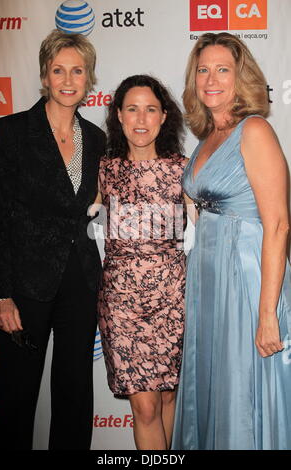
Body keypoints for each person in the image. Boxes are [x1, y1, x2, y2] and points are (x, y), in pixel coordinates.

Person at [171, 32, 291, 450]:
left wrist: (268, 312)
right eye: (203, 69)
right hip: (209, 281)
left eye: (223, 69)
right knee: (217, 384)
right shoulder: (207, 139)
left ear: (242, 77)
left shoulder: (253, 130)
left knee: (241, 388)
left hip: (245, 280)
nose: (211, 79)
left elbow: (277, 224)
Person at [0, 29, 106, 450]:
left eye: (78, 70)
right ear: (44, 74)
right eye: (59, 70)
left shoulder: (96, 139)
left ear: (89, 77)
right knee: (17, 396)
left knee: (75, 393)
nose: (68, 79)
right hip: (24, 286)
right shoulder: (12, 130)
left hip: (80, 280)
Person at [92, 75, 187, 450]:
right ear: (118, 115)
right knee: (145, 408)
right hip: (122, 304)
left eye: (150, 109)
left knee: (167, 400)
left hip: (173, 299)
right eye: (132, 109)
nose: (141, 118)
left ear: (164, 117)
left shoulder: (184, 170)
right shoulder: (104, 169)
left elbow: (207, 229)